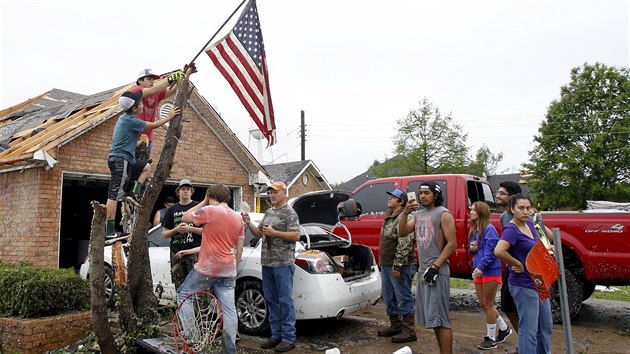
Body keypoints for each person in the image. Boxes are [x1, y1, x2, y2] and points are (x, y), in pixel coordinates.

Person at [175, 184, 244, 354]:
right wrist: (233, 270)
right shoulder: (237, 218)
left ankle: (193, 339)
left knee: (184, 295)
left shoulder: (210, 210)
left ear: (210, 196)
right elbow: (239, 248)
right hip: (228, 269)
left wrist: (204, 202)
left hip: (207, 267)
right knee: (228, 310)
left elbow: (184, 217)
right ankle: (229, 350)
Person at [104, 89, 179, 239]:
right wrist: (169, 117)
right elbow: (153, 125)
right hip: (121, 160)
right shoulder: (132, 120)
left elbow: (123, 142)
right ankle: (109, 231)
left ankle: (134, 193)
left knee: (146, 167)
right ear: (134, 108)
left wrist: (137, 143)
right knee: (114, 195)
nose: (143, 105)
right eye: (140, 104)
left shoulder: (124, 119)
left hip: (125, 159)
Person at [399, 181, 456, 354]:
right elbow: (402, 232)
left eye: (427, 193)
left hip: (437, 272)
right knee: (433, 320)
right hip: (424, 271)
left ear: (436, 194)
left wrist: (435, 266)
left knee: (442, 319)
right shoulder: (418, 214)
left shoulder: (444, 214)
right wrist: (405, 213)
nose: (423, 196)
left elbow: (452, 243)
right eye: (421, 193)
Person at [242, 181, 300, 353]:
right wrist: (249, 223)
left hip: (283, 263)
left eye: (275, 192)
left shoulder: (290, 213)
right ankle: (276, 335)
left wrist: (275, 233)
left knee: (285, 301)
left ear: (284, 193)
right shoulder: (268, 212)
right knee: (272, 300)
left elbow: (296, 235)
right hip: (267, 262)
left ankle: (289, 338)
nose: (272, 195)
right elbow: (259, 233)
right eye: (270, 192)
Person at [494, 194, 553, 354]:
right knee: (529, 329)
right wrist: (517, 263)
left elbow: (549, 238)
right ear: (512, 209)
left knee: (545, 325)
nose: (525, 211)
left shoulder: (531, 225)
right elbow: (499, 250)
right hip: (523, 284)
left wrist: (537, 219)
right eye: (521, 208)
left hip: (539, 282)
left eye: (528, 208)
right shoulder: (511, 229)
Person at [468, 201, 512, 350]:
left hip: (490, 271)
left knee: (488, 303)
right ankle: (504, 328)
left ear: (481, 212)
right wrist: (472, 249)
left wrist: (480, 267)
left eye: (474, 210)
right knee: (484, 304)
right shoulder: (475, 230)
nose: (471, 211)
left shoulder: (490, 229)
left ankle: (491, 339)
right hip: (479, 270)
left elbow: (491, 252)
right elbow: (476, 251)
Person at [377, 188, 418, 343]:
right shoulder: (389, 216)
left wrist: (398, 265)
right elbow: (385, 240)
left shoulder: (405, 217)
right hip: (387, 264)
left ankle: (409, 331)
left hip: (401, 265)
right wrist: (382, 259)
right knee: (389, 296)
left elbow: (405, 243)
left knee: (403, 296)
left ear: (401, 202)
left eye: (393, 197)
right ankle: (395, 325)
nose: (389, 199)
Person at [130, 65, 195, 155]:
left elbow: (171, 90)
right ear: (140, 81)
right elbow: (152, 90)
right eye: (149, 79)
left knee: (144, 165)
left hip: (148, 138)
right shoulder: (136, 91)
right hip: (134, 137)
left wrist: (185, 75)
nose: (152, 81)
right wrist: (171, 78)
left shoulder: (156, 94)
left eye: (153, 79)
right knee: (133, 166)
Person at [162, 179, 202, 290]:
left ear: (191, 191)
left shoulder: (199, 207)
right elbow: (165, 234)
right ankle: (181, 306)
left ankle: (195, 307)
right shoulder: (172, 210)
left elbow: (207, 231)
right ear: (178, 191)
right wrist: (176, 230)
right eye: (183, 189)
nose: (185, 191)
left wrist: (190, 229)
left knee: (196, 286)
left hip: (195, 252)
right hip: (176, 252)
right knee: (179, 286)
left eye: (188, 189)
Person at [495, 180, 522, 340]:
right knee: (508, 307)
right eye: (498, 192)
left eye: (502, 193)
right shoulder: (504, 217)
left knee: (526, 311)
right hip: (511, 269)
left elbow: (544, 237)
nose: (497, 195)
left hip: (526, 269)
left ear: (512, 197)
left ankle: (531, 346)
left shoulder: (526, 215)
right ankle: (524, 342)